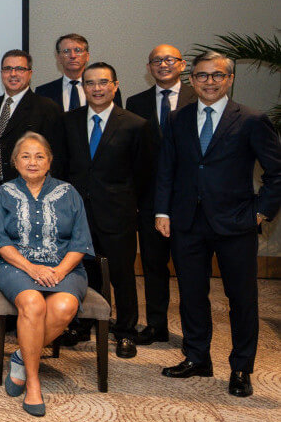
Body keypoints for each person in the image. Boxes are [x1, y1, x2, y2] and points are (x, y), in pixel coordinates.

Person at [155, 51, 281, 398]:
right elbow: (167, 168)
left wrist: (260, 213)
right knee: (192, 294)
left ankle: (241, 367)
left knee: (241, 298)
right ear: (191, 80)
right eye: (202, 75)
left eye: (217, 75)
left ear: (230, 79)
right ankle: (197, 357)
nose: (209, 82)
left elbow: (276, 172)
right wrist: (162, 212)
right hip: (186, 222)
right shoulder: (177, 118)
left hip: (236, 223)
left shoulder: (252, 119)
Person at [0, 132, 94, 416]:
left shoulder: (69, 193)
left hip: (64, 266)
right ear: (15, 161)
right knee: (33, 303)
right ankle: (33, 383)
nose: (32, 162)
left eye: (39, 156)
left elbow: (80, 243)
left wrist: (59, 271)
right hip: (15, 266)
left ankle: (21, 356)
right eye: (25, 156)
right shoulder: (3, 193)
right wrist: (32, 268)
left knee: (65, 306)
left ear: (49, 161)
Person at [61, 62, 157, 357]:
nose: (97, 88)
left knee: (122, 274)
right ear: (83, 87)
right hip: (78, 214)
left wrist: (127, 203)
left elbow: (144, 173)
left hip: (118, 214)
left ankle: (125, 331)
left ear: (115, 85)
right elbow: (63, 167)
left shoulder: (135, 124)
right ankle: (82, 324)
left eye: (103, 82)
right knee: (83, 272)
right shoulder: (69, 121)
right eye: (90, 83)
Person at [125, 44, 195, 345]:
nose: (163, 64)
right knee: (154, 265)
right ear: (149, 67)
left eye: (169, 59)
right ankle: (156, 325)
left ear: (182, 64)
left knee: (191, 269)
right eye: (156, 60)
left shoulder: (198, 96)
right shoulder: (135, 102)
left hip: (191, 199)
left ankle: (194, 332)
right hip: (150, 199)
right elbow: (132, 153)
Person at [0, 49, 65, 199]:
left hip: (30, 190)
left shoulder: (47, 108)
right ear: (1, 73)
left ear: (30, 73)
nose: (13, 74)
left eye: (20, 69)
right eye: (7, 69)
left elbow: (56, 156)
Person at [37, 34, 121, 112]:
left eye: (78, 50)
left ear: (87, 56)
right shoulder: (43, 92)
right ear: (58, 58)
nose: (72, 56)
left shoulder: (108, 89)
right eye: (66, 51)